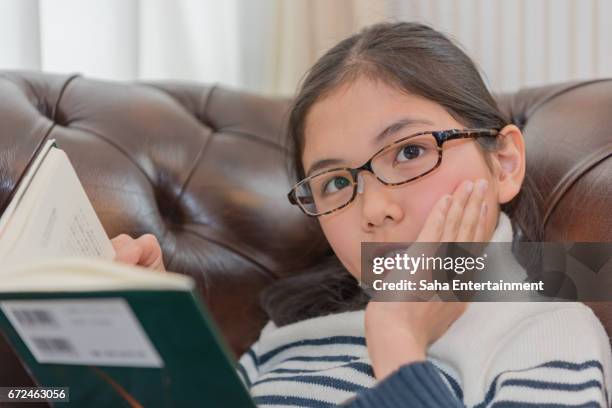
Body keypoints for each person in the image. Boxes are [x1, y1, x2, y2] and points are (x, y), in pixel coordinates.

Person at [112, 22, 612, 407]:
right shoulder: (287, 335)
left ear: (503, 163)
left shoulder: (547, 333)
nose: (374, 209)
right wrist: (161, 345)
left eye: (411, 152)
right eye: (336, 183)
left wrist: (398, 343)